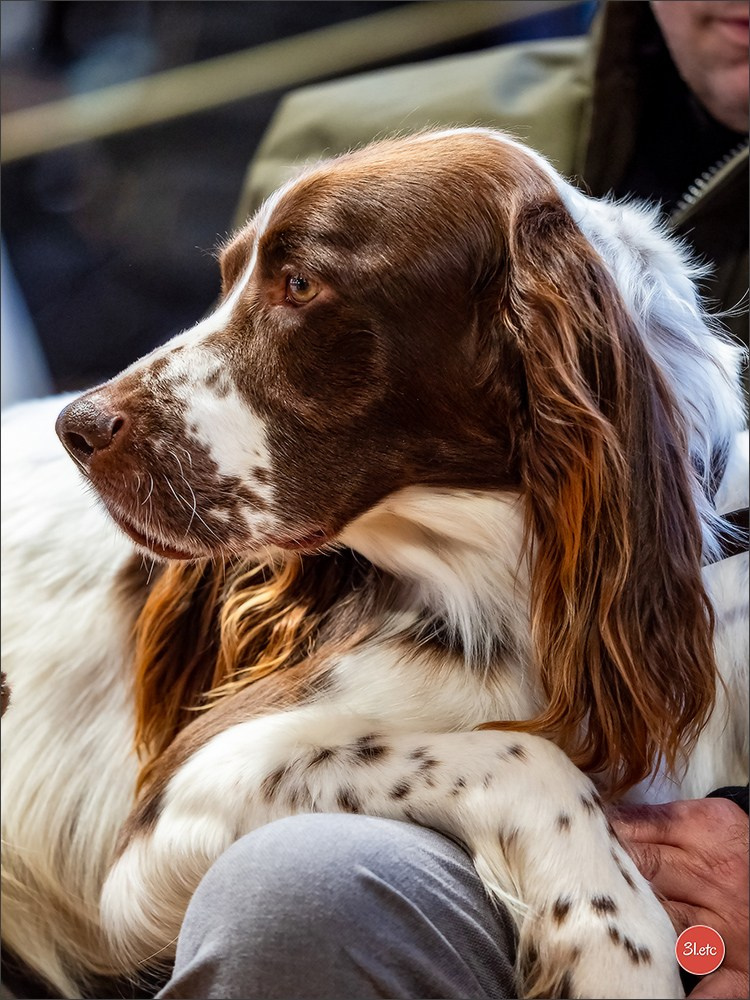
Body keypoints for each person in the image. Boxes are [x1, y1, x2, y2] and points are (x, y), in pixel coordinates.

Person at [152, 3, 749, 999]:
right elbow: (266, 596)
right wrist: (523, 798)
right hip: (472, 789)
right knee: (303, 892)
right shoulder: (372, 134)